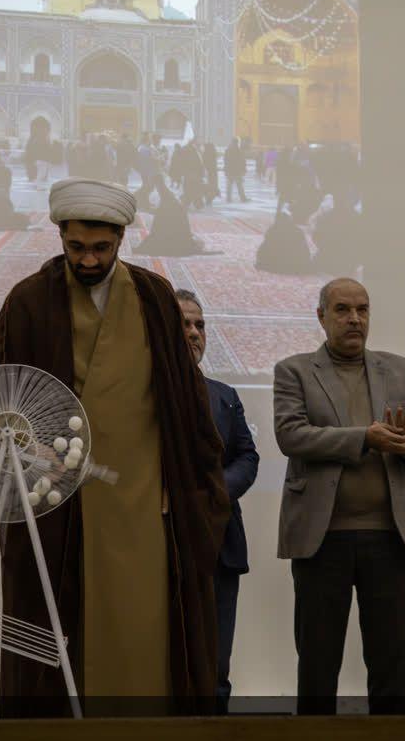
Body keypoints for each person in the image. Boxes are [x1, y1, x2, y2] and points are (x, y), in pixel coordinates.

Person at [0, 178, 230, 717]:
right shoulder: (29, 300)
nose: (88, 259)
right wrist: (27, 449)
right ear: (60, 237)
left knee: (145, 626)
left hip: (143, 498)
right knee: (60, 630)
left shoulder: (154, 297)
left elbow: (187, 401)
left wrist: (190, 488)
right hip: (59, 500)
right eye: (76, 247)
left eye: (101, 247)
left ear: (121, 239)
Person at [273, 278, 405, 715]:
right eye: (343, 310)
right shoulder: (294, 370)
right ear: (321, 317)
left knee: (390, 665)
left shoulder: (400, 370)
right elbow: (291, 435)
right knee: (317, 666)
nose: (355, 319)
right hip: (321, 538)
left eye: (362, 310)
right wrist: (364, 438)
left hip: (389, 537)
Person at [176, 289, 260, 715]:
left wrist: (214, 492)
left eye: (200, 325)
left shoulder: (225, 395)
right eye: (184, 324)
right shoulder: (139, 396)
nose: (194, 333)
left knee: (215, 667)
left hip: (219, 544)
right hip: (163, 545)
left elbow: (248, 457)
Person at [134, 178, 212, 256]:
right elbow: (185, 233)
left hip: (168, 240)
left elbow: (156, 231)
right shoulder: (175, 207)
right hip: (178, 241)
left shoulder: (167, 207)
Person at [255, 207, 312, 275]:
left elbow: (264, 247)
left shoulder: (272, 230)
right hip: (295, 265)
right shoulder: (298, 231)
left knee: (265, 247)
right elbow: (305, 251)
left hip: (276, 264)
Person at [224, 138, 248, 203]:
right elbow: (243, 161)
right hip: (237, 171)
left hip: (230, 171)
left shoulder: (228, 150)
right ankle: (242, 198)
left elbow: (226, 161)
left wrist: (226, 170)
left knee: (229, 186)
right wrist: (244, 169)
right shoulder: (239, 151)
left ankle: (228, 198)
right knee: (239, 185)